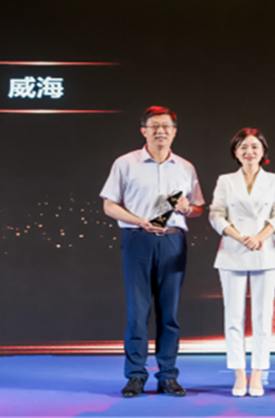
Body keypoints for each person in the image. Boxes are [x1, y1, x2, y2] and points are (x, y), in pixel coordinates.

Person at [100, 106, 204, 398]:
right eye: (154, 126)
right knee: (137, 312)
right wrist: (138, 220)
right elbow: (109, 205)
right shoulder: (126, 163)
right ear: (143, 131)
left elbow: (198, 208)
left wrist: (187, 208)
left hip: (173, 241)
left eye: (166, 126)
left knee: (169, 313)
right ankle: (135, 375)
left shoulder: (185, 167)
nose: (161, 131)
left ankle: (168, 375)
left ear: (174, 132)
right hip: (138, 239)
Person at [209, 128, 275, 397]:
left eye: (254, 146)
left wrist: (259, 238)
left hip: (265, 251)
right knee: (233, 317)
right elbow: (216, 214)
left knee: (263, 317)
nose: (249, 151)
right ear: (235, 152)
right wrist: (239, 236)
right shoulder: (225, 180)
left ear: (263, 151)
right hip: (232, 250)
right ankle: (239, 374)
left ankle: (258, 374)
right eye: (243, 147)